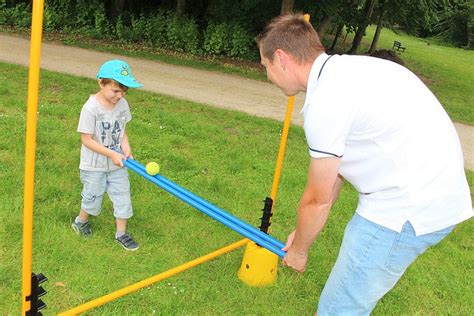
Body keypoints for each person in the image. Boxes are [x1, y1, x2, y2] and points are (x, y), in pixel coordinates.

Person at [257, 14, 472, 314]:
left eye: (265, 66)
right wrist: (303, 234)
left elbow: (317, 199)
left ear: (281, 58)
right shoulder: (351, 70)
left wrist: (300, 251)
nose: (267, 75)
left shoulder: (324, 102)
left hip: (403, 210)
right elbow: (334, 177)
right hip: (434, 198)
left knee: (338, 309)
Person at [72, 59, 143, 251]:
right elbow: (86, 140)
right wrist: (111, 153)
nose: (120, 95)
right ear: (101, 83)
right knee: (92, 198)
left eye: (124, 91)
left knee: (123, 196)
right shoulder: (90, 108)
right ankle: (81, 221)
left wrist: (125, 148)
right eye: (116, 91)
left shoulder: (122, 104)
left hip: (117, 164)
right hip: (93, 165)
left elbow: (122, 131)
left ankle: (121, 233)